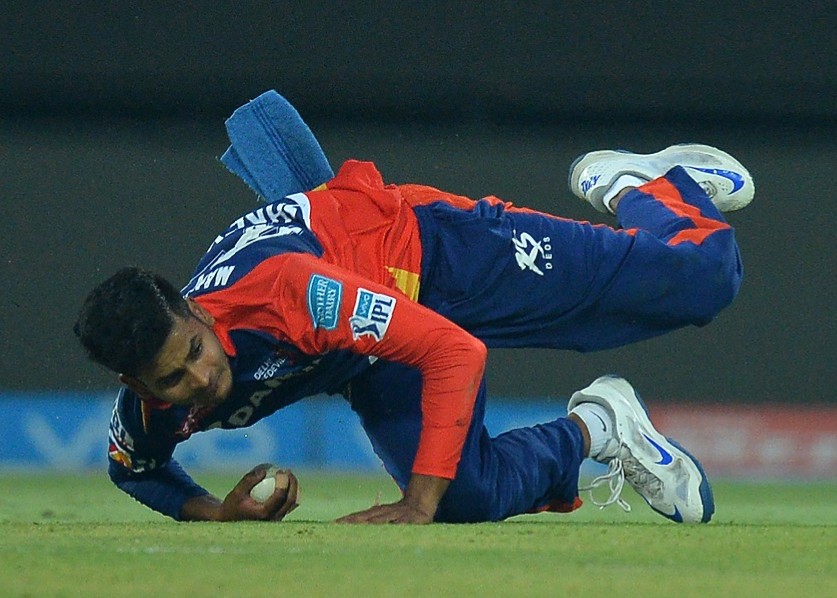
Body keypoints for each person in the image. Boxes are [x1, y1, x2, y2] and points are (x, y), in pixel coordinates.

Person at [74, 142, 754, 525]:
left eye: (195, 351)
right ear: (137, 384)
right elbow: (134, 469)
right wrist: (214, 514)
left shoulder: (289, 294)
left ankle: (644, 185)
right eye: (172, 378)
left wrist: (415, 504)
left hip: (435, 256)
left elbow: (453, 351)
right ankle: (600, 428)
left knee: (703, 279)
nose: (199, 380)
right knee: (468, 496)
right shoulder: (149, 407)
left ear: (197, 312)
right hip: (368, 352)